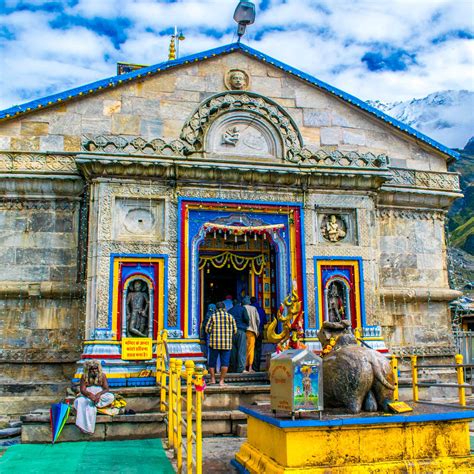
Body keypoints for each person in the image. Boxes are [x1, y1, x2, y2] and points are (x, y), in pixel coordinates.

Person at [74, 360, 114, 434]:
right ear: (88, 369)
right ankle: (84, 426)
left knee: (111, 397)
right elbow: (82, 390)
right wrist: (89, 395)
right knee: (79, 401)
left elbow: (106, 389)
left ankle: (95, 404)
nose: (93, 371)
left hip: (99, 396)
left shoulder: (103, 375)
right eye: (91, 369)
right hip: (87, 397)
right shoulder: (84, 376)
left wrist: (98, 395)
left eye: (95, 369)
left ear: (98, 368)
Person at [205, 301, 237, 385]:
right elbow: (235, 330)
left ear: (216, 308)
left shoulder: (213, 316)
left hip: (214, 343)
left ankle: (212, 379)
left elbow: (207, 329)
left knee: (212, 362)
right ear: (224, 308)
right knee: (225, 363)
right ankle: (221, 381)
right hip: (226, 344)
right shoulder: (230, 317)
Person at [229, 299, 249, 373]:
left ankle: (233, 368)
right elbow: (247, 319)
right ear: (239, 303)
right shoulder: (242, 309)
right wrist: (246, 326)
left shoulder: (230, 311)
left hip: (231, 332)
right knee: (241, 350)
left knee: (233, 351)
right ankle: (240, 368)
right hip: (241, 331)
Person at [242, 296, 260, 373]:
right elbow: (258, 320)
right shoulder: (253, 309)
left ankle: (243, 367)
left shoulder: (242, 308)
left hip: (244, 331)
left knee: (243, 349)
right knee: (251, 349)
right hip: (252, 331)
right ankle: (250, 367)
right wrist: (256, 329)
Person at [250, 296, 268, 372]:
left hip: (252, 332)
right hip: (260, 331)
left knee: (251, 349)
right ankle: (257, 367)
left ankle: (251, 367)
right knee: (258, 349)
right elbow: (265, 321)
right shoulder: (261, 310)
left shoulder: (250, 309)